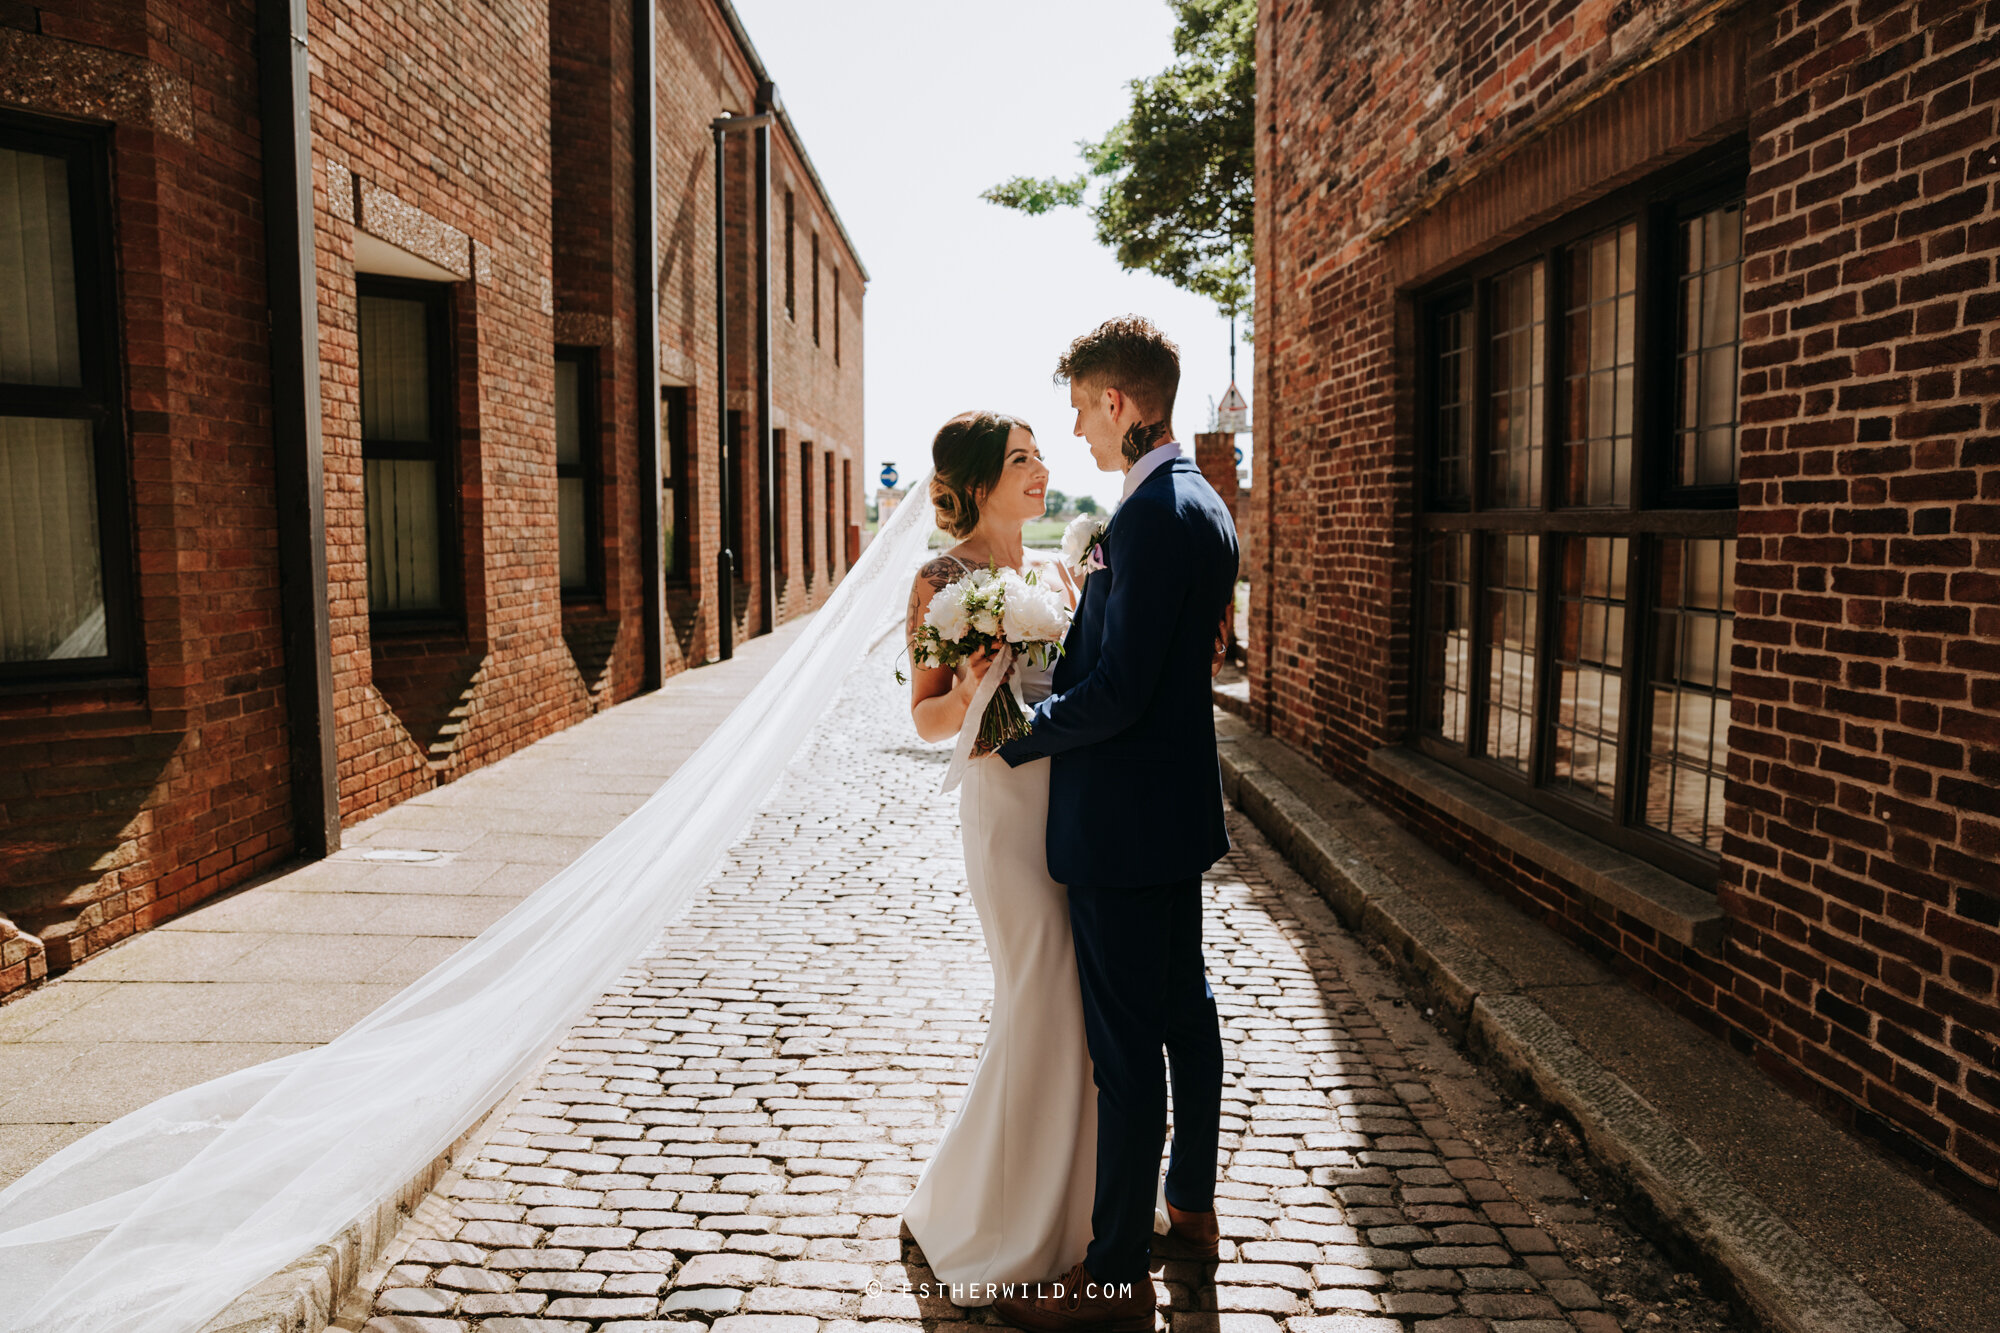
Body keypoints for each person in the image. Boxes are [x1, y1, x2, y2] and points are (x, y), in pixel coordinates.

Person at [990, 316, 1240, 1333]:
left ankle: (1111, 1278)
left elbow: (1123, 692)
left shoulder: (1152, 517)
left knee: (1127, 1053)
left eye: (1083, 409)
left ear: (1120, 405)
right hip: (1166, 815)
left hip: (1125, 827)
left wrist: (1014, 729)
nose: (1079, 432)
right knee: (1185, 1009)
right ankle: (1189, 1206)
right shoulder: (1197, 504)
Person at [900, 410, 1170, 1303]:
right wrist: (977, 685)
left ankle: (1080, 1204)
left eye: (1040, 454)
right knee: (1037, 989)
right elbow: (929, 718)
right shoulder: (941, 581)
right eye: (1019, 458)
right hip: (1005, 816)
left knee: (1074, 1004)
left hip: (1073, 810)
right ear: (976, 481)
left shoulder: (1056, 573)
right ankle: (1003, 1216)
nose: (1040, 468)